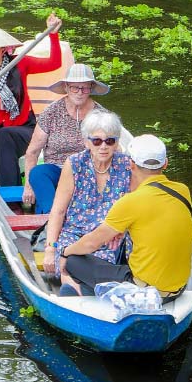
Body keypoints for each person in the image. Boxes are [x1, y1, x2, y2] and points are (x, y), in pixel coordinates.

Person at [58, 134, 192, 301]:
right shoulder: (183, 191)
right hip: (178, 289)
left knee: (74, 261)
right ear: (165, 163)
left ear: (131, 164)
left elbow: (90, 243)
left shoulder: (130, 202)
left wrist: (65, 253)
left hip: (145, 290)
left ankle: (84, 290)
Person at [0, 13, 63, 186]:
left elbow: (54, 63)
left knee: (5, 135)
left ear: (2, 49)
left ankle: (11, 189)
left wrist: (53, 35)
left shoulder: (20, 63)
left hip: (24, 127)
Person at [42, 111, 131, 276]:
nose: (103, 146)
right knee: (65, 261)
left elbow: (136, 208)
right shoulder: (74, 164)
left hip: (109, 235)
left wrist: (123, 230)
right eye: (97, 141)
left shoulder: (127, 165)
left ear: (117, 143)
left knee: (105, 260)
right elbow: (58, 210)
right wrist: (50, 248)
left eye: (110, 141)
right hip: (74, 233)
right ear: (86, 142)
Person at [22, 63, 110, 214]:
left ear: (91, 89)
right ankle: (51, 217)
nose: (80, 92)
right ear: (67, 88)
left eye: (85, 88)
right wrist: (28, 187)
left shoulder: (101, 115)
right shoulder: (51, 112)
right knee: (38, 173)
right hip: (56, 169)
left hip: (88, 171)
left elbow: (112, 150)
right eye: (75, 87)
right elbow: (33, 152)